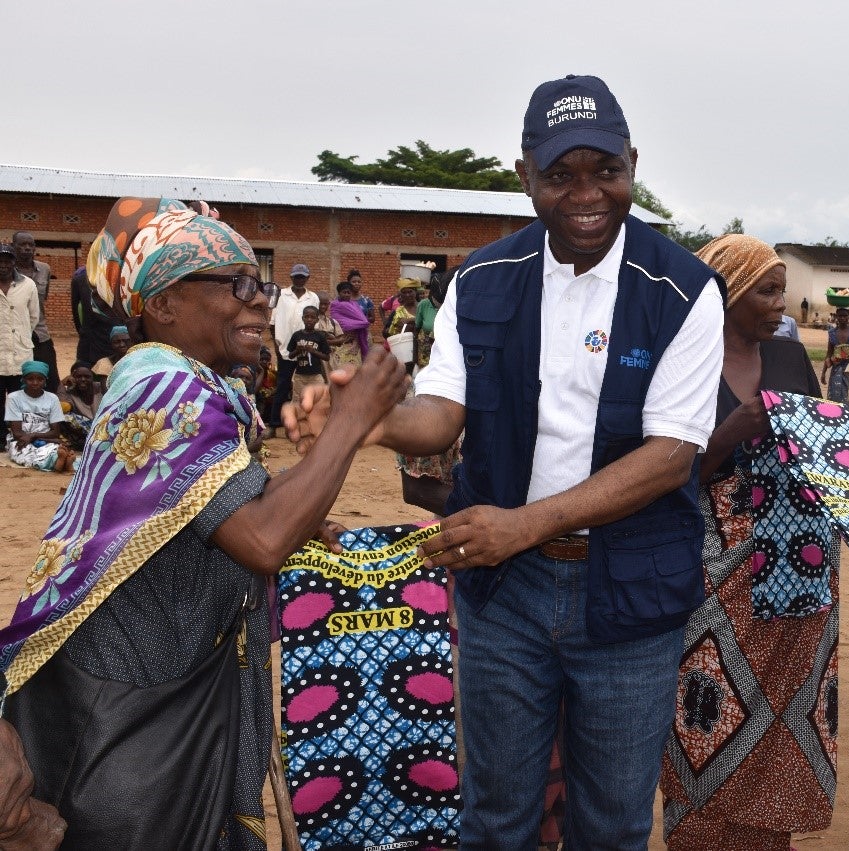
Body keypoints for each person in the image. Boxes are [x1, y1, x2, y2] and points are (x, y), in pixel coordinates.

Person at [287, 73, 724, 847]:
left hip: (629, 594)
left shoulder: (683, 289)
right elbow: (442, 414)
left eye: (606, 171)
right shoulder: (483, 280)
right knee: (497, 815)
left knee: (614, 822)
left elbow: (667, 458)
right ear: (524, 175)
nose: (586, 194)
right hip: (505, 595)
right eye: (560, 175)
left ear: (633, 163)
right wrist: (367, 420)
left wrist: (522, 525)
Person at [0, 196, 404, 849]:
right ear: (163, 304)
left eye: (261, 284)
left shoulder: (210, 389)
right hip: (124, 714)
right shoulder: (163, 390)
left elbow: (254, 505)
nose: (258, 302)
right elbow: (263, 538)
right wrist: (353, 420)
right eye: (237, 286)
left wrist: (305, 498)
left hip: (168, 686)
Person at [659, 235, 835, 850]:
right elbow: (664, 478)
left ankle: (767, 838)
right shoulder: (684, 364)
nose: (779, 303)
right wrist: (729, 434)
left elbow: (818, 456)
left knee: (783, 711)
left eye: (780, 288)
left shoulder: (790, 359)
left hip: (798, 567)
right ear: (726, 295)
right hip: (713, 570)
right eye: (766, 289)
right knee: (708, 707)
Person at [268, 263, 319, 432]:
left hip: (306, 350)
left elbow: (315, 323)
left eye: (302, 277)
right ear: (291, 277)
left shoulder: (313, 298)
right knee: (282, 386)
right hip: (286, 350)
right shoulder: (281, 295)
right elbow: (273, 322)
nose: (299, 280)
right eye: (296, 276)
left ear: (307, 278)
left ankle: (304, 424)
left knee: (306, 388)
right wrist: (277, 345)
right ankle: (275, 425)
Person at [4, 360, 73, 473]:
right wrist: (38, 438)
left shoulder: (52, 398)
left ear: (45, 380)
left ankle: (60, 460)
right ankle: (61, 462)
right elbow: (17, 433)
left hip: (45, 439)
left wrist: (33, 436)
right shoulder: (14, 398)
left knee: (50, 449)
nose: (35, 383)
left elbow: (55, 432)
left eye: (40, 379)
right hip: (22, 440)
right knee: (26, 453)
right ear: (23, 379)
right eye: (30, 379)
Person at [12, 234, 57, 386]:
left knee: (49, 376)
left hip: (40, 332)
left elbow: (42, 300)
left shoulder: (45, 269)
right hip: (15, 334)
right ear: (13, 246)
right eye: (22, 245)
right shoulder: (7, 270)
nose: (27, 248)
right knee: (16, 377)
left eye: (30, 245)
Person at [0, 244, 39, 414]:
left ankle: (17, 436)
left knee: (19, 400)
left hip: (20, 354)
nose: (3, 265)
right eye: (0, 261)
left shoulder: (28, 285)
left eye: (7, 261)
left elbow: (33, 317)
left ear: (13, 262)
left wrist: (21, 336)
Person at [69, 266, 114, 367]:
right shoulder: (80, 279)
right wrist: (84, 332)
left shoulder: (121, 274)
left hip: (115, 339)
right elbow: (75, 311)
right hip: (90, 340)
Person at [56, 361, 102, 452]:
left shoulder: (100, 388)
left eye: (87, 376)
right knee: (64, 417)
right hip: (84, 431)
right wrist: (62, 383)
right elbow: (60, 407)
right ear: (72, 377)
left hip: (102, 427)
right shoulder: (70, 392)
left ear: (92, 377)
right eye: (78, 377)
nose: (83, 379)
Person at [821, 306, 849, 402]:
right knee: (835, 397)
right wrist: (823, 373)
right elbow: (829, 353)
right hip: (836, 370)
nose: (842, 318)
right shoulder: (832, 333)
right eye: (840, 316)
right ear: (836, 317)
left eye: (845, 316)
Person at [288, 305, 330, 394]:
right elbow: (290, 356)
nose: (309, 319)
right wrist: (297, 350)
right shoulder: (297, 335)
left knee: (319, 399)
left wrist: (313, 351)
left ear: (317, 320)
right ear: (302, 318)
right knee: (299, 401)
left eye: (312, 317)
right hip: (300, 376)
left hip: (316, 375)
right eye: (307, 317)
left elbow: (327, 357)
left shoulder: (320, 336)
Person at [330, 280, 369, 369]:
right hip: (341, 341)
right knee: (340, 369)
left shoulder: (354, 305)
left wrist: (359, 324)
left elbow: (362, 319)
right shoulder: (336, 305)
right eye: (344, 292)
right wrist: (359, 324)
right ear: (339, 293)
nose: (347, 294)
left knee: (355, 369)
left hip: (354, 341)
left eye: (349, 292)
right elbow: (339, 321)